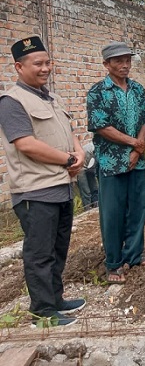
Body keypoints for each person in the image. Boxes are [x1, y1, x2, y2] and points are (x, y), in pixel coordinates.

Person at [0, 36, 86, 326]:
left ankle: (56, 298)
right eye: (38, 63)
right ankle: (42, 310)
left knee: (58, 247)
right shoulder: (12, 101)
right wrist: (67, 160)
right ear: (19, 67)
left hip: (60, 186)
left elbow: (69, 130)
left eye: (48, 62)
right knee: (39, 253)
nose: (45, 68)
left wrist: (78, 153)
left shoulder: (50, 97)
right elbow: (26, 144)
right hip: (34, 191)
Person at [87, 42, 145, 284]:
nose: (125, 64)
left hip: (136, 161)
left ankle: (135, 254)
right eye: (118, 61)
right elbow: (101, 126)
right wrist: (133, 144)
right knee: (113, 213)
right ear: (106, 64)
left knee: (138, 209)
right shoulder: (98, 92)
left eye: (127, 59)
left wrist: (138, 148)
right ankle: (114, 263)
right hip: (110, 162)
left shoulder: (137, 89)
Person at [76, 141, 99, 210]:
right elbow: (92, 169)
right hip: (80, 167)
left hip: (89, 165)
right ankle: (88, 210)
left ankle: (96, 207)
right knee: (86, 191)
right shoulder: (95, 150)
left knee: (94, 188)